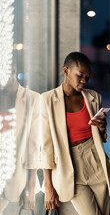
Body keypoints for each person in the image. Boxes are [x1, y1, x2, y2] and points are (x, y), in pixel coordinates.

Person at [41, 52, 110, 215]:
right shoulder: (47, 100)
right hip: (68, 164)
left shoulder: (93, 97)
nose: (84, 80)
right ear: (66, 71)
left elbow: (101, 137)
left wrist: (102, 126)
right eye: (80, 75)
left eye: (87, 77)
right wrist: (48, 185)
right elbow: (46, 147)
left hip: (95, 160)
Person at [0, 60, 41, 214]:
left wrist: (30, 188)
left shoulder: (32, 99)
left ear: (13, 69)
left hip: (15, 177)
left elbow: (34, 145)